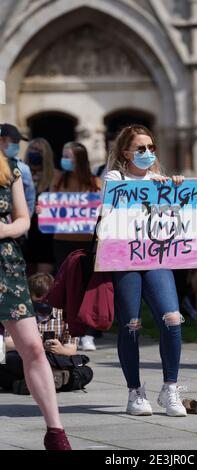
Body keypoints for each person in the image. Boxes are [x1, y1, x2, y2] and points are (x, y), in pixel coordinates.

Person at [104, 124, 187, 417]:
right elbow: (114, 198)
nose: (147, 153)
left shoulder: (160, 180)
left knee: (173, 319)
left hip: (156, 258)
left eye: (151, 148)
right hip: (125, 259)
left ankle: (170, 388)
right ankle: (135, 392)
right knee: (131, 323)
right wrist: (155, 187)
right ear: (126, 152)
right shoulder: (114, 177)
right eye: (140, 148)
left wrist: (176, 188)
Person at [0, 139, 71, 450]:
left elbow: (23, 220)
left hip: (6, 265)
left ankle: (55, 431)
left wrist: (3, 230)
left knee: (32, 346)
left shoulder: (9, 168)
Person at [1, 273, 93, 393]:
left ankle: (29, 384)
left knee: (86, 372)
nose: (42, 301)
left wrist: (59, 349)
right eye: (38, 297)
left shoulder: (64, 313)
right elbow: (6, 344)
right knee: (6, 360)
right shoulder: (19, 312)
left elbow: (71, 349)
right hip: (25, 358)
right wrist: (37, 345)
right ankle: (54, 381)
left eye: (46, 297)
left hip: (53, 359)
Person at [50, 142, 101, 351]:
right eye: (63, 155)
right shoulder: (59, 179)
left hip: (85, 239)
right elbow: (51, 203)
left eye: (68, 156)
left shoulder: (93, 182)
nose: (64, 159)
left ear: (79, 158)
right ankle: (69, 332)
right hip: (62, 238)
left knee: (85, 286)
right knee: (65, 286)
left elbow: (99, 208)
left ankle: (87, 333)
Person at [25, 138, 55, 274]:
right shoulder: (19, 174)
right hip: (24, 234)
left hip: (45, 237)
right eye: (32, 149)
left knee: (43, 283)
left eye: (39, 150)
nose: (35, 153)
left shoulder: (55, 177)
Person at [0, 123, 35, 216]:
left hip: (13, 223)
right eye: (13, 141)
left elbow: (30, 199)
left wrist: (23, 222)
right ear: (1, 140)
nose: (16, 145)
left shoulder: (22, 169)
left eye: (18, 142)